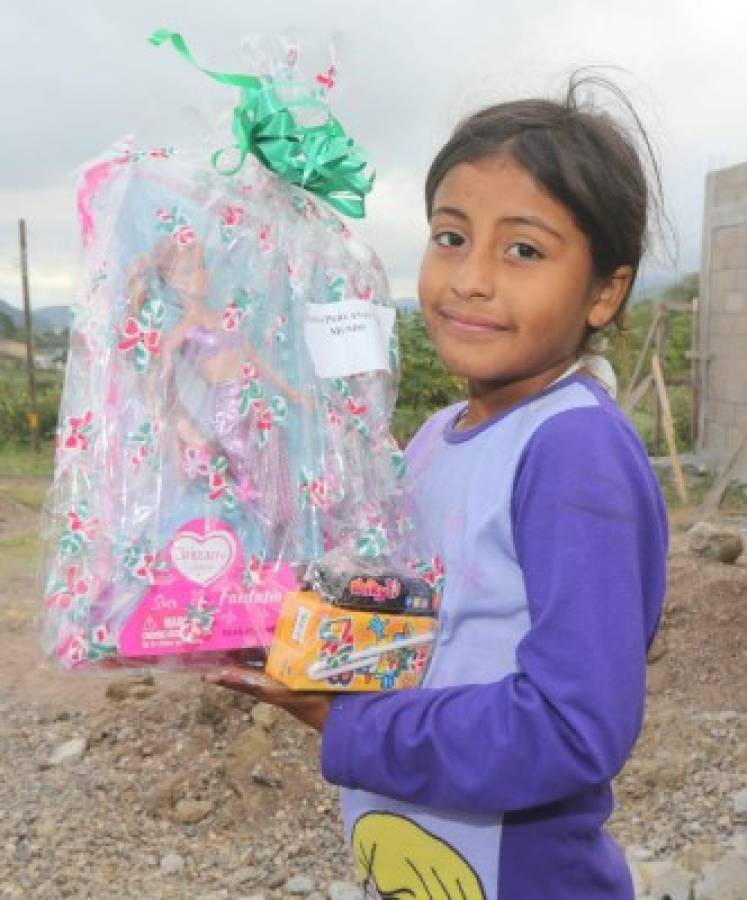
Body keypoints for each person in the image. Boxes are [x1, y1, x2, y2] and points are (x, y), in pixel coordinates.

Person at [208, 73, 669, 899]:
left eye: (522, 250)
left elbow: (572, 727)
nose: (470, 279)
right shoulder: (431, 439)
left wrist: (346, 722)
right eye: (450, 237)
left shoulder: (572, 452)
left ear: (605, 291)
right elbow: (393, 616)